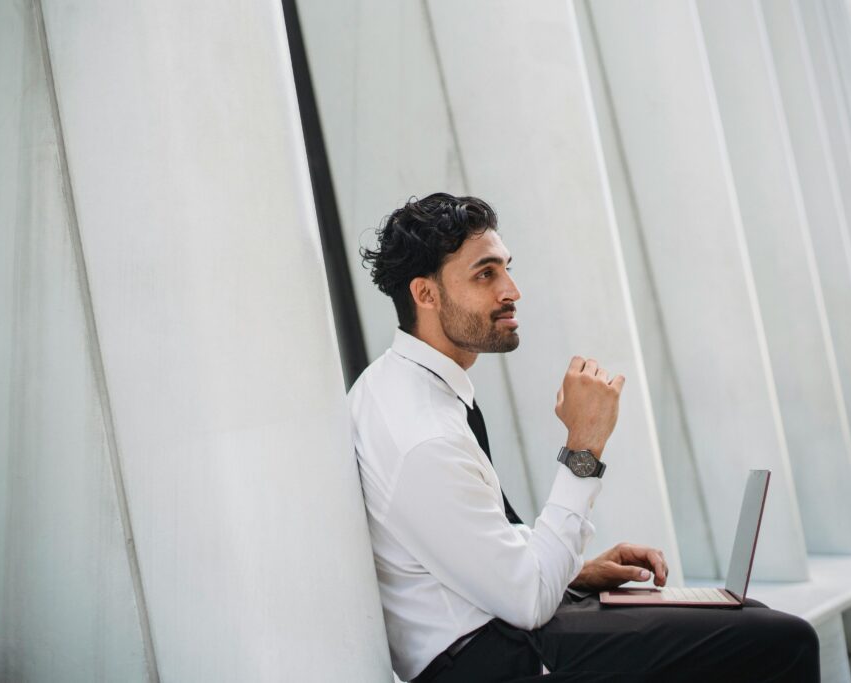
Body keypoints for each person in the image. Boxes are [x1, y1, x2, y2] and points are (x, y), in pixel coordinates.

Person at [348, 193, 819, 682]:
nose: (512, 290)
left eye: (506, 268)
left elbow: (471, 548)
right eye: (485, 274)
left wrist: (575, 572)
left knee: (751, 617)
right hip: (491, 659)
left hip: (499, 629)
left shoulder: (406, 387)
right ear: (425, 294)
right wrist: (584, 446)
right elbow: (527, 599)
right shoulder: (423, 433)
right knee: (781, 640)